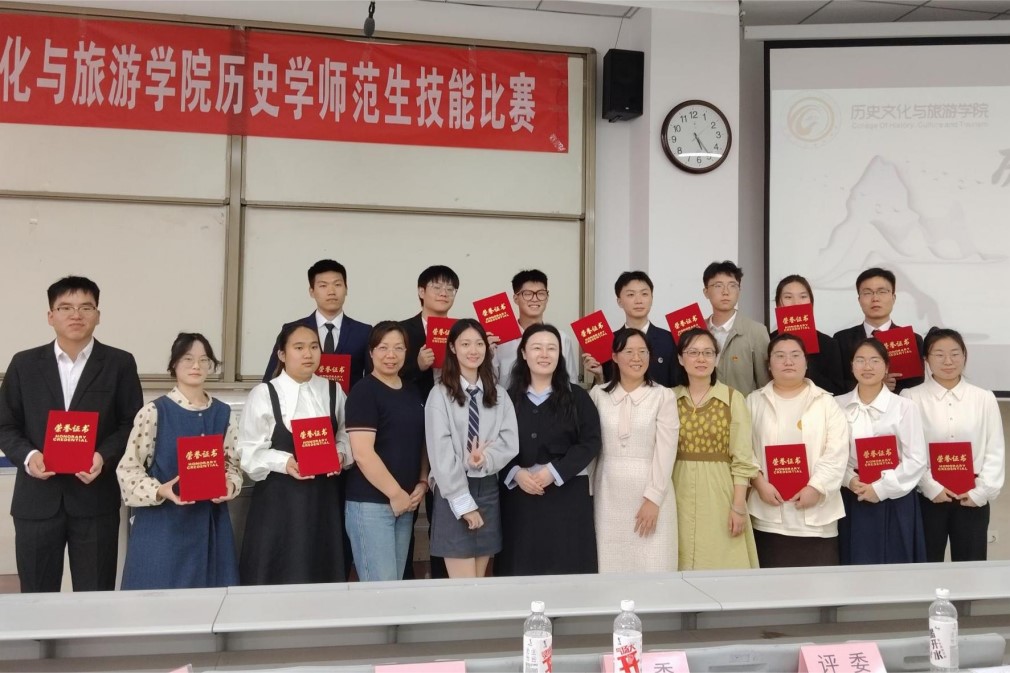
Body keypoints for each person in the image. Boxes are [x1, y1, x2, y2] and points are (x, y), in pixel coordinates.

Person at [0, 276, 142, 593]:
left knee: (95, 596)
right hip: (37, 501)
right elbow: (5, 425)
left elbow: (131, 424)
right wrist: (29, 456)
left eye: (85, 307)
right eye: (65, 307)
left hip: (95, 500)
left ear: (98, 315)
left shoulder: (119, 363)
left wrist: (103, 456)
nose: (76, 315)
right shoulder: (24, 364)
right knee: (37, 596)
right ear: (50, 316)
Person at [117, 333, 243, 589]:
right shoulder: (154, 412)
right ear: (174, 364)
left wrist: (230, 485)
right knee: (158, 602)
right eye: (187, 359)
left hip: (210, 524)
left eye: (204, 360)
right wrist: (160, 490)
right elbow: (128, 470)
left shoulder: (223, 413)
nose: (196, 366)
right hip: (162, 528)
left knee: (211, 603)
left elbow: (232, 464)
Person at [237, 323, 352, 584]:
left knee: (322, 570)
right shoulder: (265, 393)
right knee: (277, 571)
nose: (308, 354)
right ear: (282, 354)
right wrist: (285, 462)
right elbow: (249, 451)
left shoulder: (333, 390)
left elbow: (346, 434)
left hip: (324, 500)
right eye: (298, 348)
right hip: (279, 501)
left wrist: (341, 454)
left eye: (314, 347)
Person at [498, 324, 601, 576]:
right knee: (520, 566)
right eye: (537, 348)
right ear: (524, 353)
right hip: (519, 498)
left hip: (567, 498)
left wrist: (554, 472)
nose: (544, 354)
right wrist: (515, 473)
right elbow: (495, 444)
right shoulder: (506, 399)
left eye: (551, 348)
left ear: (560, 354)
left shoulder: (577, 397)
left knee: (566, 566)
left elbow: (590, 441)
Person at [425, 319, 518, 579]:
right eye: (465, 344)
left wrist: (485, 458)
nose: (473, 350)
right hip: (452, 489)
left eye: (479, 344)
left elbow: (509, 441)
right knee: (463, 587)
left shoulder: (499, 394)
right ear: (453, 348)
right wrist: (463, 503)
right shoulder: (440, 394)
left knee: (479, 584)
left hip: (487, 487)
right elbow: (440, 452)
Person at [901, 327, 1005, 562]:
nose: (948, 361)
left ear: (964, 356)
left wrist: (981, 492)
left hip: (972, 497)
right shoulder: (911, 397)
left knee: (970, 567)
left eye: (955, 354)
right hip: (929, 497)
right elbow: (908, 450)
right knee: (926, 565)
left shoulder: (984, 398)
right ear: (926, 359)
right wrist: (930, 487)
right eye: (939, 354)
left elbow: (995, 450)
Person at [746, 334, 849, 567]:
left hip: (817, 518)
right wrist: (759, 483)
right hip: (768, 515)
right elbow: (744, 449)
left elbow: (837, 452)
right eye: (779, 356)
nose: (788, 361)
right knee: (770, 582)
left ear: (806, 362)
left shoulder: (826, 402)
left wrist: (816, 487)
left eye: (795, 355)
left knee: (818, 586)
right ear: (769, 364)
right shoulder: (753, 402)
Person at [343, 322, 428, 581]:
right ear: (371, 352)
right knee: (379, 590)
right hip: (372, 505)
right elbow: (362, 453)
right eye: (383, 348)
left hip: (405, 503)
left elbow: (421, 441)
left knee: (395, 588)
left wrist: (422, 481)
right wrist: (395, 493)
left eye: (398, 348)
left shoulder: (411, 390)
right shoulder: (364, 391)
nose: (391, 355)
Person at [590, 328, 679, 573]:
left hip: (649, 493)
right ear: (614, 357)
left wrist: (653, 498)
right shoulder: (598, 395)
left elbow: (666, 451)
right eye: (628, 352)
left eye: (643, 352)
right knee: (610, 566)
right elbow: (591, 450)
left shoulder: (663, 396)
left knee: (653, 565)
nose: (636, 358)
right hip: (608, 493)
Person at [836, 338, 927, 565]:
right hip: (853, 495)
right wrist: (849, 480)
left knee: (895, 568)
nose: (867, 367)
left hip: (896, 497)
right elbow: (831, 453)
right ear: (851, 366)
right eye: (860, 360)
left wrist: (880, 489)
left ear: (886, 367)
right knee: (855, 565)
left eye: (875, 361)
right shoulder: (836, 405)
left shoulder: (904, 406)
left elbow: (916, 460)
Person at [673, 327, 759, 570]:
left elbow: (743, 457)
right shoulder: (669, 398)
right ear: (680, 359)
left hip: (720, 490)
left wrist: (738, 506)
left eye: (708, 353)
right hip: (677, 488)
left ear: (717, 358)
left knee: (721, 559)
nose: (701, 359)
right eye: (693, 352)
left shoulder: (733, 399)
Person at [399, 264, 459, 579]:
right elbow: (385, 375)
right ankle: (405, 583)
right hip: (410, 428)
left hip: (450, 429)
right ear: (421, 292)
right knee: (405, 508)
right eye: (437, 287)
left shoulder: (462, 331)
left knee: (444, 509)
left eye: (450, 288)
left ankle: (442, 580)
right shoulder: (401, 331)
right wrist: (417, 365)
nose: (444, 293)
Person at [262, 259, 371, 387]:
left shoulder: (364, 332)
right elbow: (272, 377)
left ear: (346, 289)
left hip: (350, 399)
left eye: (337, 284)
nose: (331, 292)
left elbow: (373, 379)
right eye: (323, 286)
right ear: (312, 292)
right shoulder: (291, 330)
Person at [833, 267, 924, 393]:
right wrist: (874, 385)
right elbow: (837, 383)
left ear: (893, 298)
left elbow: (917, 385)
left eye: (882, 292)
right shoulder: (841, 340)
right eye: (867, 293)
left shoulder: (912, 340)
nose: (875, 298)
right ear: (859, 300)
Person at [584, 271, 678, 388]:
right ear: (619, 302)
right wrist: (599, 376)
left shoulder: (669, 340)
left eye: (644, 294)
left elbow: (677, 386)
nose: (638, 301)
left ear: (652, 299)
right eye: (631, 295)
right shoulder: (609, 341)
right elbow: (602, 392)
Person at [493, 269, 580, 390]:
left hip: (556, 401)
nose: (535, 299)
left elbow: (570, 383)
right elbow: (491, 384)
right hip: (509, 401)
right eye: (527, 294)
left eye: (541, 293)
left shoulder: (562, 338)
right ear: (516, 298)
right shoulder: (499, 340)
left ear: (547, 297)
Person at [702, 261, 769, 396]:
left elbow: (765, 385)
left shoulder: (756, 331)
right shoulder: (696, 332)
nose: (726, 292)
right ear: (706, 292)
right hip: (702, 408)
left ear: (739, 291)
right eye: (718, 285)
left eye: (732, 285)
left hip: (743, 408)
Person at [770, 275, 845, 394]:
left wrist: (804, 366)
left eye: (803, 296)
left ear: (811, 303)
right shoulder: (768, 341)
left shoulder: (829, 344)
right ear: (778, 304)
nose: (796, 303)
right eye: (788, 297)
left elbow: (837, 390)